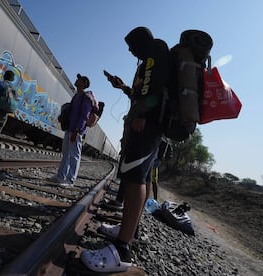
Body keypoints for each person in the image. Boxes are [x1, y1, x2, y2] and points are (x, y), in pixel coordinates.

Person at [81, 26, 170, 273]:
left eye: (131, 46)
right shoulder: (153, 55)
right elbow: (143, 91)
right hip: (149, 123)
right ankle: (126, 230)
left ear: (141, 42)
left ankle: (122, 248)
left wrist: (142, 114)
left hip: (146, 125)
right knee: (136, 177)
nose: (130, 51)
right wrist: (122, 87)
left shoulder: (155, 51)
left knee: (135, 179)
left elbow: (152, 87)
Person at [50, 74, 98, 187]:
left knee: (74, 155)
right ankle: (61, 176)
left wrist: (77, 130)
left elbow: (84, 116)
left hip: (76, 130)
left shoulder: (86, 97)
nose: (76, 80)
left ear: (84, 83)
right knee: (66, 153)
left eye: (79, 79)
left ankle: (70, 180)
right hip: (70, 128)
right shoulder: (77, 96)